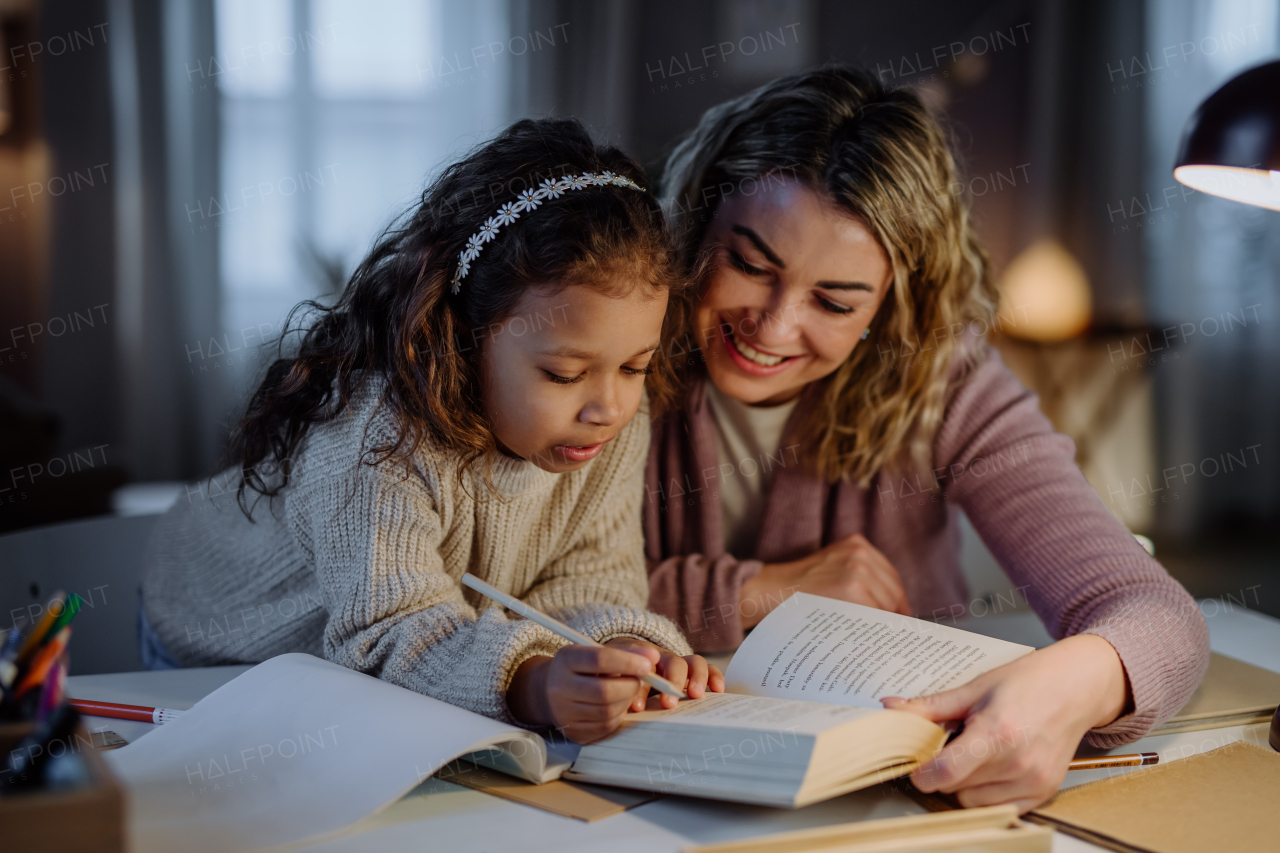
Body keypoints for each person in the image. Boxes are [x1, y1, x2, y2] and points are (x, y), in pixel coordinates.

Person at [644, 67, 1208, 810]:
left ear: (890, 303)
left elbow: (1158, 616)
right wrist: (758, 591)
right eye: (750, 265)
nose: (774, 327)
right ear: (693, 229)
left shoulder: (942, 377)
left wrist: (1076, 684)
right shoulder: (610, 346)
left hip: (895, 788)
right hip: (655, 775)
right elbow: (529, 597)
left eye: (834, 302)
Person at [139, 118, 721, 744]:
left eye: (636, 365)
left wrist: (624, 650)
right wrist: (537, 684)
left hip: (369, 666)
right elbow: (389, 634)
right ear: (466, 339)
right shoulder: (374, 438)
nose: (608, 405)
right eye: (562, 373)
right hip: (217, 647)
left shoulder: (611, 421)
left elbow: (590, 575)